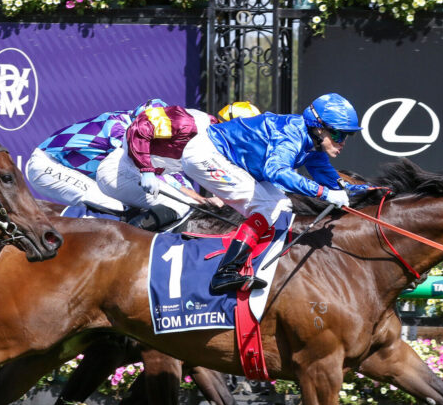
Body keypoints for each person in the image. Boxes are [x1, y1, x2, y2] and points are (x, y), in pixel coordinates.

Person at [180, 92, 370, 294]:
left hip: (228, 159)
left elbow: (332, 180)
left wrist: (368, 189)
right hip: (205, 154)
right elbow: (276, 172)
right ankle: (225, 272)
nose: (342, 142)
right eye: (338, 134)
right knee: (266, 206)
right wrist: (324, 193)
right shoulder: (290, 133)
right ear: (319, 127)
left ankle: (253, 261)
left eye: (347, 136)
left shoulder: (313, 143)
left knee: (283, 206)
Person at [95, 99, 227, 228]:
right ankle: (124, 239)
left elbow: (211, 176)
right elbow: (141, 127)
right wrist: (147, 171)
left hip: (134, 173)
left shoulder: (214, 144)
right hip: (117, 171)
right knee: (181, 206)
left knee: (189, 206)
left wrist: (220, 198)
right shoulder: (190, 123)